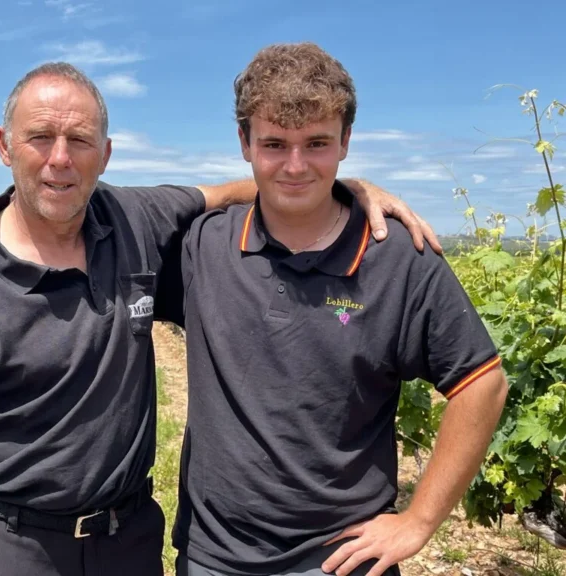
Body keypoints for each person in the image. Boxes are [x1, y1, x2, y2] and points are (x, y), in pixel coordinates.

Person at [0, 62, 437, 576]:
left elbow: (232, 191)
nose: (59, 159)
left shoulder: (135, 218)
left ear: (105, 154)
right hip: (10, 545)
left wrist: (345, 187)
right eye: (39, 137)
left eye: (78, 140)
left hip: (127, 540)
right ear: (5, 146)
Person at [166, 43, 509, 576]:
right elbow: (91, 218)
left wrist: (419, 522)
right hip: (213, 556)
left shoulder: (396, 256)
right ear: (244, 143)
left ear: (346, 142)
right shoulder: (202, 247)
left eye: (318, 144)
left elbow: (482, 383)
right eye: (275, 144)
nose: (296, 165)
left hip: (341, 561)